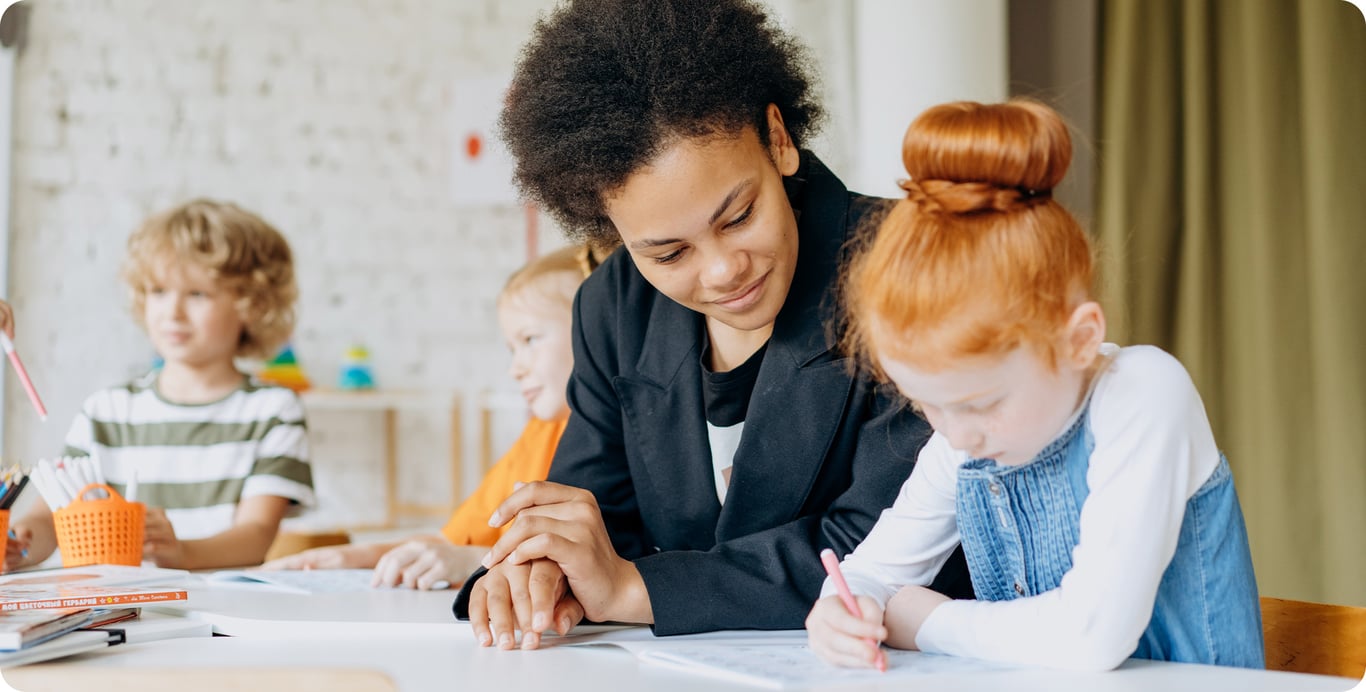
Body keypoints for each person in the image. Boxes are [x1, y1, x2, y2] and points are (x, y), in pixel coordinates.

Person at [455, 0, 973, 650]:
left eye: (738, 215)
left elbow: (882, 540)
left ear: (779, 140)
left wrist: (630, 590)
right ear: (611, 233)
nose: (724, 270)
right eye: (669, 253)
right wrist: (539, 571)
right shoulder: (611, 308)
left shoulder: (916, 265)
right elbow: (593, 515)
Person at [805, 100, 1264, 671]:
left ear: (1078, 339)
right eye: (930, 407)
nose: (958, 435)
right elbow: (873, 571)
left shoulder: (1143, 394)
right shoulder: (962, 439)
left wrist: (926, 622)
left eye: (982, 403)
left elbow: (1091, 635)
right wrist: (839, 610)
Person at [260, 245, 599, 589]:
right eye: (512, 349)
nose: (515, 369)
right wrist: (353, 558)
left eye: (531, 339)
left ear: (599, 332)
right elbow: (455, 541)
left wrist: (473, 563)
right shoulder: (539, 434)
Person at [4, 199, 316, 572]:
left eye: (197, 294)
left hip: (224, 617)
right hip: (123, 617)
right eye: (158, 291)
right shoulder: (107, 410)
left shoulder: (273, 411)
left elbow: (255, 534)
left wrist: (182, 553)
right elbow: (51, 518)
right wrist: (17, 543)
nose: (173, 312)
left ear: (253, 303)